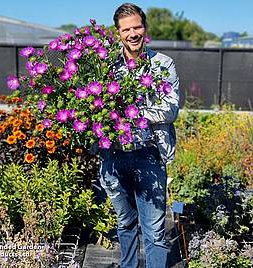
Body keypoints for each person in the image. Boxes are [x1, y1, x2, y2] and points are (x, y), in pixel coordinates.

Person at [99, 3, 180, 268]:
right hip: (113, 155)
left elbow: (169, 109)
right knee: (125, 223)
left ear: (145, 28)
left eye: (137, 27)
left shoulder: (163, 65)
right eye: (126, 29)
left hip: (150, 153)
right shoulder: (105, 67)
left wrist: (132, 113)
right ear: (118, 32)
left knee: (155, 231)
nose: (133, 33)